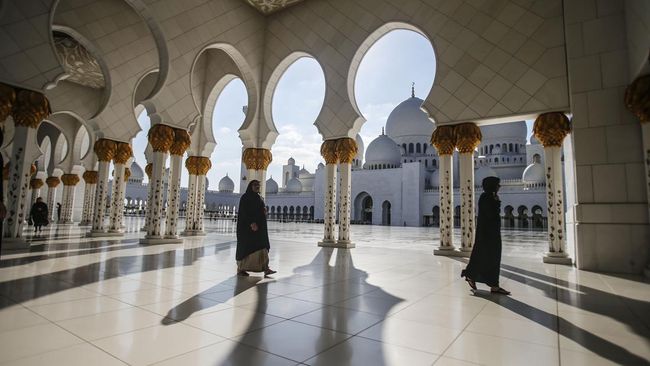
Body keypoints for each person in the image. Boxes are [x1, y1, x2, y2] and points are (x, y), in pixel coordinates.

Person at [461, 176, 510, 295]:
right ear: (492, 185)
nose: (499, 186)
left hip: (492, 233)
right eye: (497, 184)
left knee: (493, 259)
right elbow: (491, 214)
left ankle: (494, 285)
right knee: (481, 256)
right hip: (486, 235)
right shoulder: (485, 197)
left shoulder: (490, 196)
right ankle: (471, 275)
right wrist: (497, 203)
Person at [236, 180, 276, 277]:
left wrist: (264, 211)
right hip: (248, 229)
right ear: (250, 186)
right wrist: (251, 223)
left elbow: (260, 210)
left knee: (263, 246)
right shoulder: (245, 198)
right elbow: (244, 213)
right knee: (247, 248)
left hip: (260, 228)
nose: (257, 187)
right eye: (255, 185)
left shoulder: (259, 198)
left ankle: (266, 268)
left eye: (258, 185)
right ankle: (241, 269)